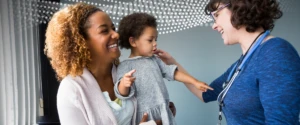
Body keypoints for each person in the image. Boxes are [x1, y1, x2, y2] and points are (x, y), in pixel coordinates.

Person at [160, 0, 300, 124]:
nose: (214, 25)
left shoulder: (276, 53)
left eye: (217, 15)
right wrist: (172, 62)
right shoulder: (242, 63)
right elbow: (205, 94)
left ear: (239, 6)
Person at [44, 3, 176, 125]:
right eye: (104, 30)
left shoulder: (125, 72)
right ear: (81, 41)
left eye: (113, 28)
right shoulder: (71, 89)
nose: (116, 35)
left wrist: (163, 113)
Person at [114, 13, 213, 125]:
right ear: (133, 42)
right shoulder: (125, 65)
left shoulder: (155, 60)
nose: (155, 44)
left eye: (156, 40)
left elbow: (173, 73)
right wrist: (124, 84)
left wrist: (194, 82)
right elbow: (121, 93)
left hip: (163, 111)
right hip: (144, 117)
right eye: (150, 40)